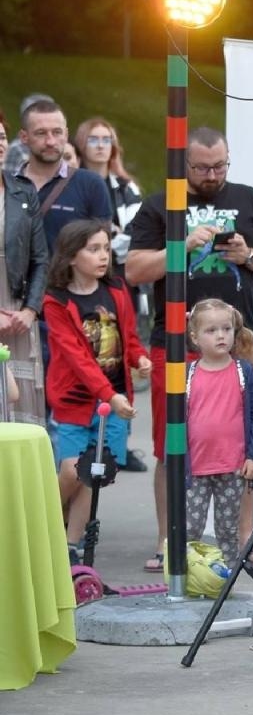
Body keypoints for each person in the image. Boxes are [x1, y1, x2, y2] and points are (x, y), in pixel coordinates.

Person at [126, 127, 253, 573]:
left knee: (244, 442)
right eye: (202, 168)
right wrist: (181, 247)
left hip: (239, 341)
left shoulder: (250, 199)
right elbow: (134, 270)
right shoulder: (160, 204)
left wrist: (248, 256)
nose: (212, 175)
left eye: (220, 166)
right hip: (175, 343)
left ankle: (243, 538)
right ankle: (167, 540)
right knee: (170, 443)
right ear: (183, 164)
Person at [43, 221, 151, 555]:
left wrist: (139, 358)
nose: (103, 256)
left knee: (94, 471)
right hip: (76, 400)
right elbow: (77, 358)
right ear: (71, 256)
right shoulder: (56, 301)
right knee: (71, 470)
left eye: (106, 248)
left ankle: (70, 545)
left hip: (114, 398)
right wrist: (110, 396)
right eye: (93, 249)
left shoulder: (116, 289)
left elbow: (128, 336)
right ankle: (45, 520)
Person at [182, 299, 253, 565]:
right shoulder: (186, 374)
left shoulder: (244, 372)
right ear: (195, 337)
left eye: (226, 329)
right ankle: (186, 577)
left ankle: (228, 579)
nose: (221, 335)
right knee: (190, 528)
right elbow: (175, 422)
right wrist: (176, 461)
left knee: (228, 530)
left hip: (233, 467)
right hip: (195, 468)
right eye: (211, 330)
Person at [0, 114, 48, 428]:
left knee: (21, 403)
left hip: (17, 310)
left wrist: (30, 310)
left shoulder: (22, 190)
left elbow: (40, 258)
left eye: (1, 137)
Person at [14, 99, 113, 251]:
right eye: (41, 133)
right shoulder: (7, 184)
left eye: (57, 132)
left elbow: (102, 252)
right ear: (24, 137)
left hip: (66, 268)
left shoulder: (91, 185)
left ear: (66, 135)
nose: (50, 141)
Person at [72, 118, 142, 270]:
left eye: (106, 140)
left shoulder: (126, 187)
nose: (100, 146)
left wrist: (104, 251)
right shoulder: (70, 185)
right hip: (76, 268)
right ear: (82, 145)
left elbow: (137, 231)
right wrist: (111, 232)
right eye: (93, 140)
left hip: (118, 268)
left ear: (113, 147)